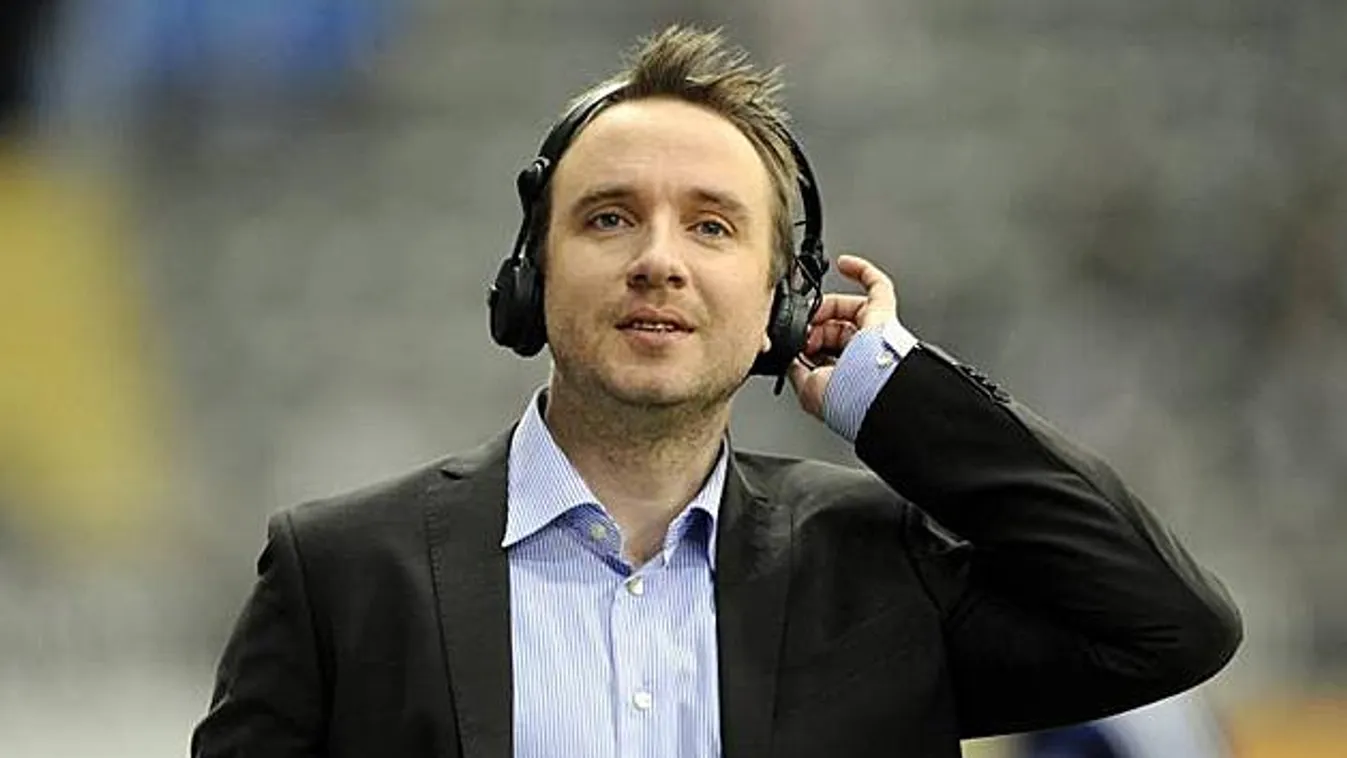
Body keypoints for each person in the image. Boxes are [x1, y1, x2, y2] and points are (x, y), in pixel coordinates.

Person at [191, 25, 1242, 758]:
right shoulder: (339, 577)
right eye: (609, 218)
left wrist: (894, 395)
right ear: (531, 275)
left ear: (780, 303)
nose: (659, 260)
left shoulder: (886, 571)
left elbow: (1169, 624)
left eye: (711, 225)